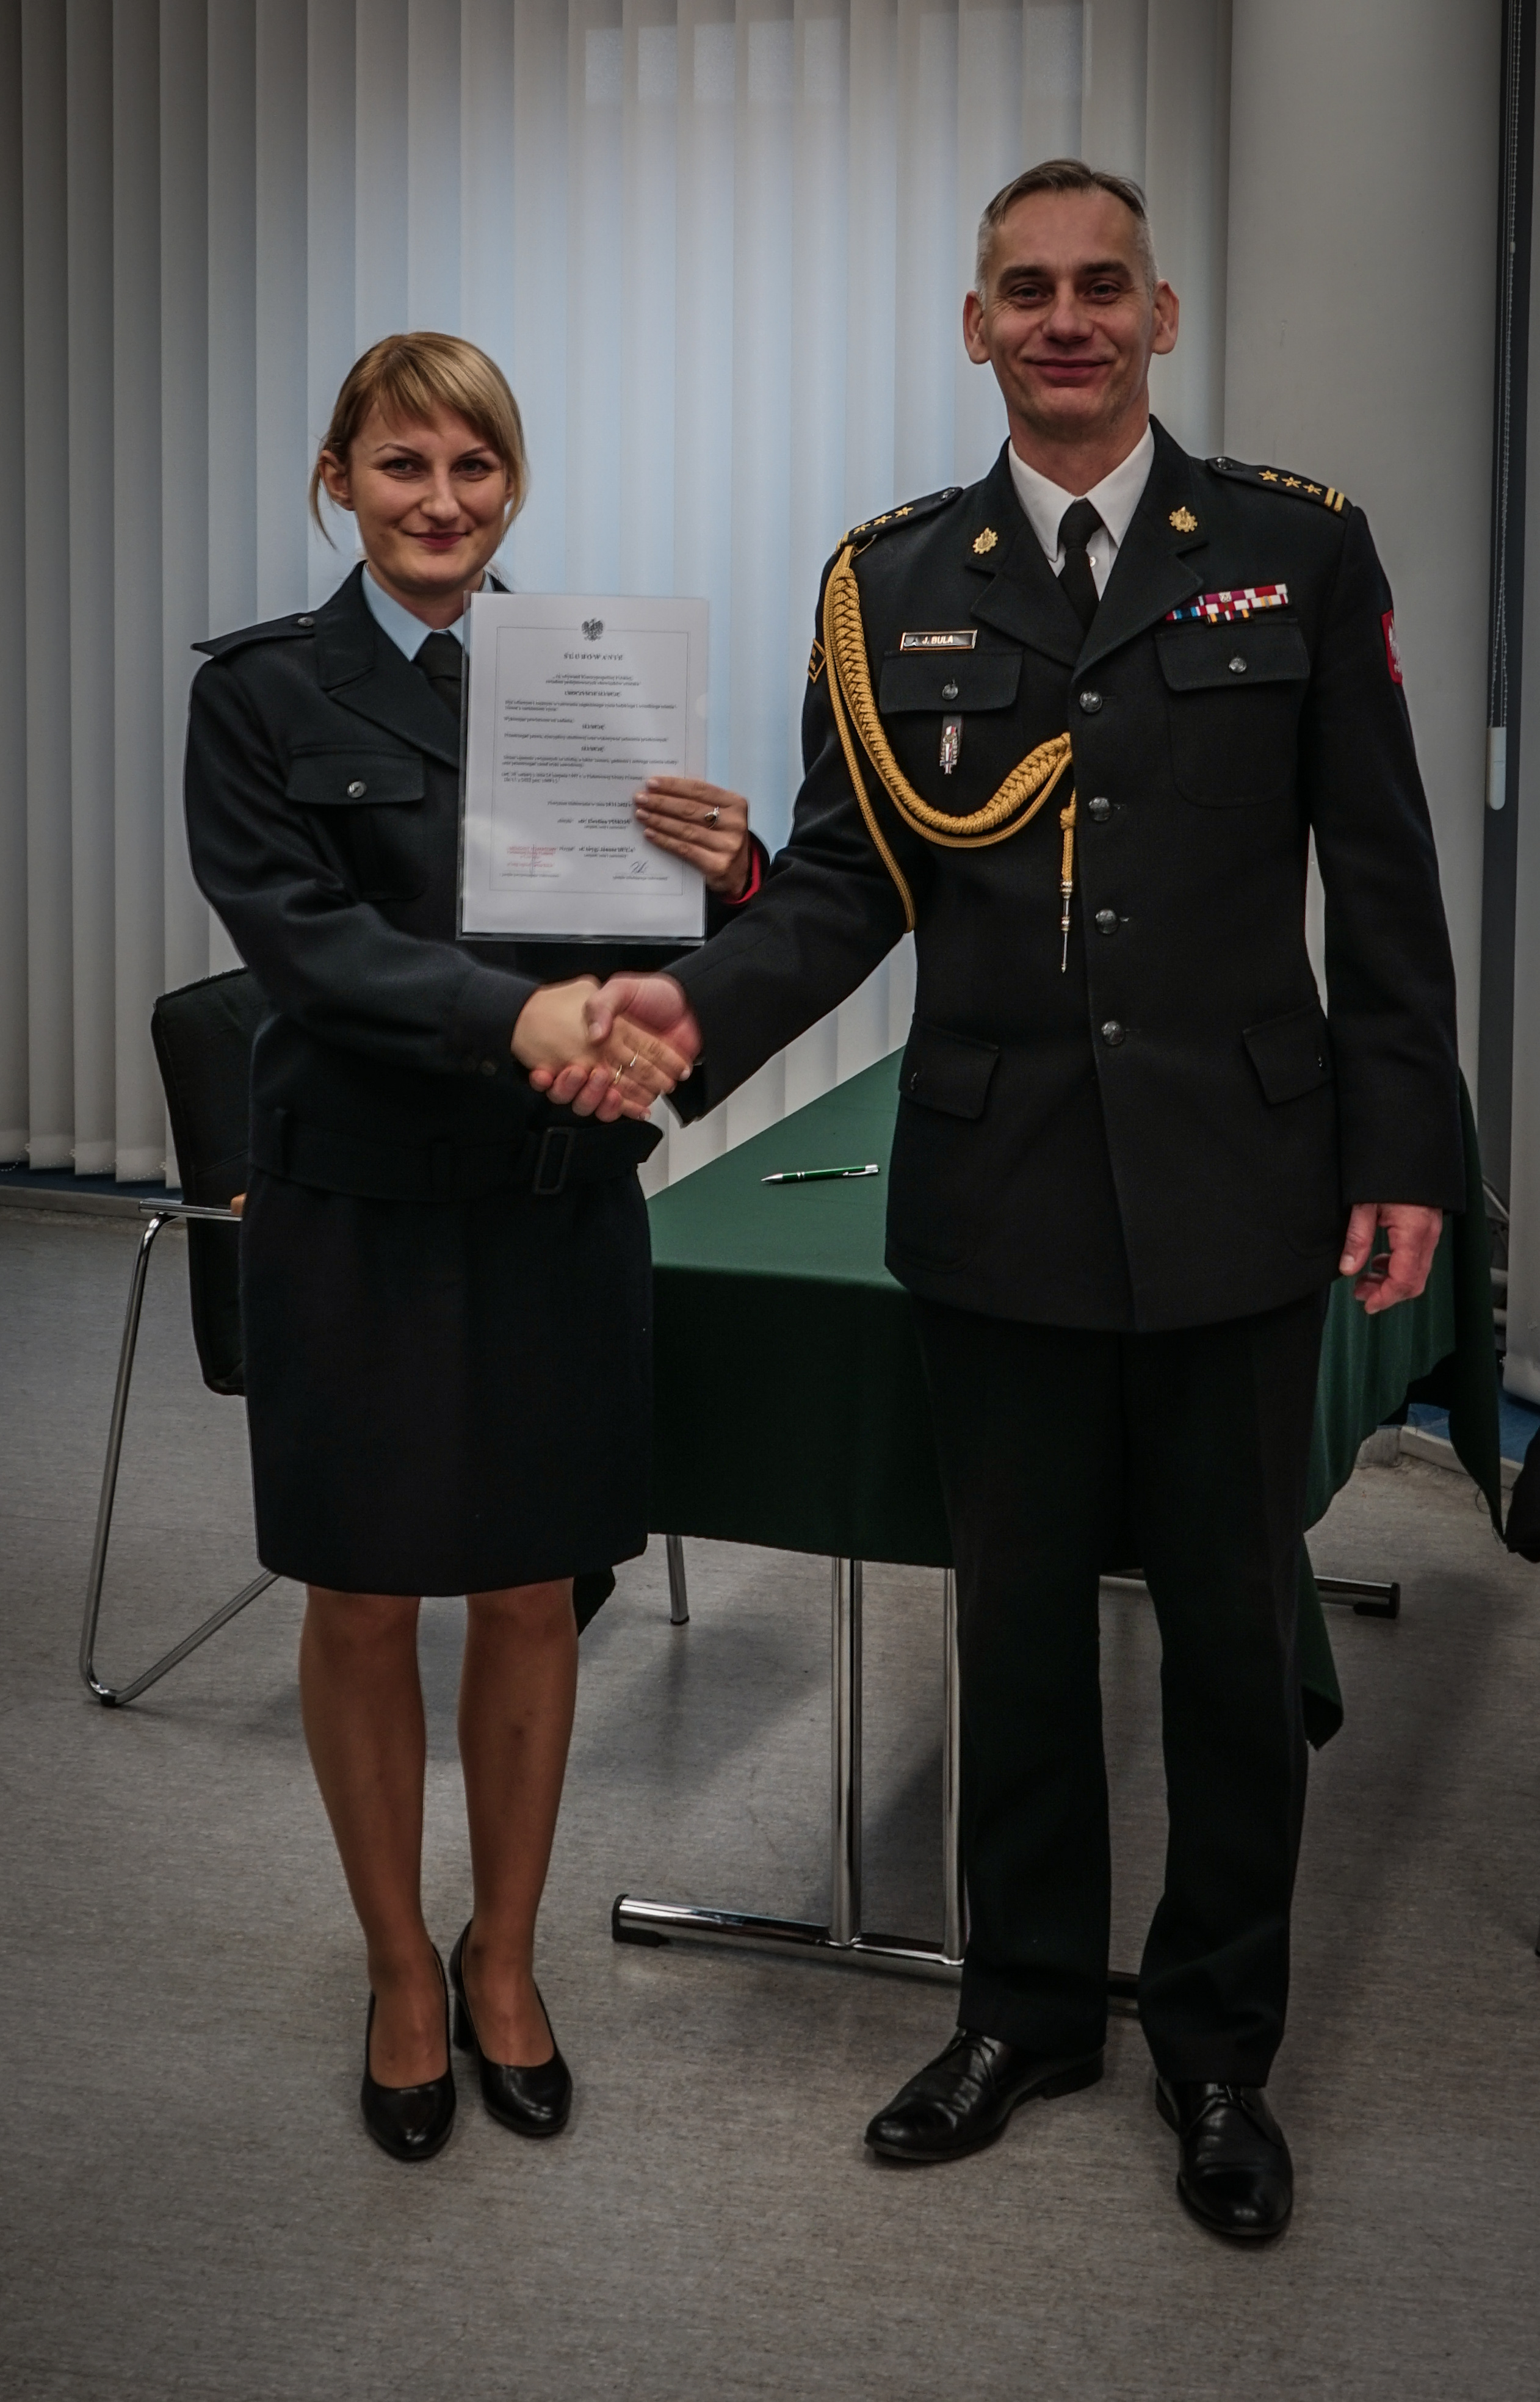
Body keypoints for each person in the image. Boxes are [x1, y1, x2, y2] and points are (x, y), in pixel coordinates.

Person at [540, 161, 1464, 2238]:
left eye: (1099, 286)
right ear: (975, 327)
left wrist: (1405, 1151)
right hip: (998, 1190)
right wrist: (691, 1010)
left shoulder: (1292, 552)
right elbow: (847, 884)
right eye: (1025, 290)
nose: (1064, 319)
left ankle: (1216, 2051)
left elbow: (1382, 878)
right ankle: (1024, 2011)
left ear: (1158, 316)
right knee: (1019, 1633)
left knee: (1230, 1645)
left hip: (1238, 1183)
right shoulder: (889, 584)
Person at [184, 331, 723, 2163]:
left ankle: (503, 1954)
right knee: (361, 1595)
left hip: (551, 1198)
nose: (439, 500)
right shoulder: (263, 691)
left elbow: (629, 937)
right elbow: (305, 942)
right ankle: (398, 1969)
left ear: (513, 486)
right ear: (337, 478)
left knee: (528, 1588)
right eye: (402, 464)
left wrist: (719, 871)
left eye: (473, 467)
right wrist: (516, 1019)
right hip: (355, 1207)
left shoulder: (585, 677)